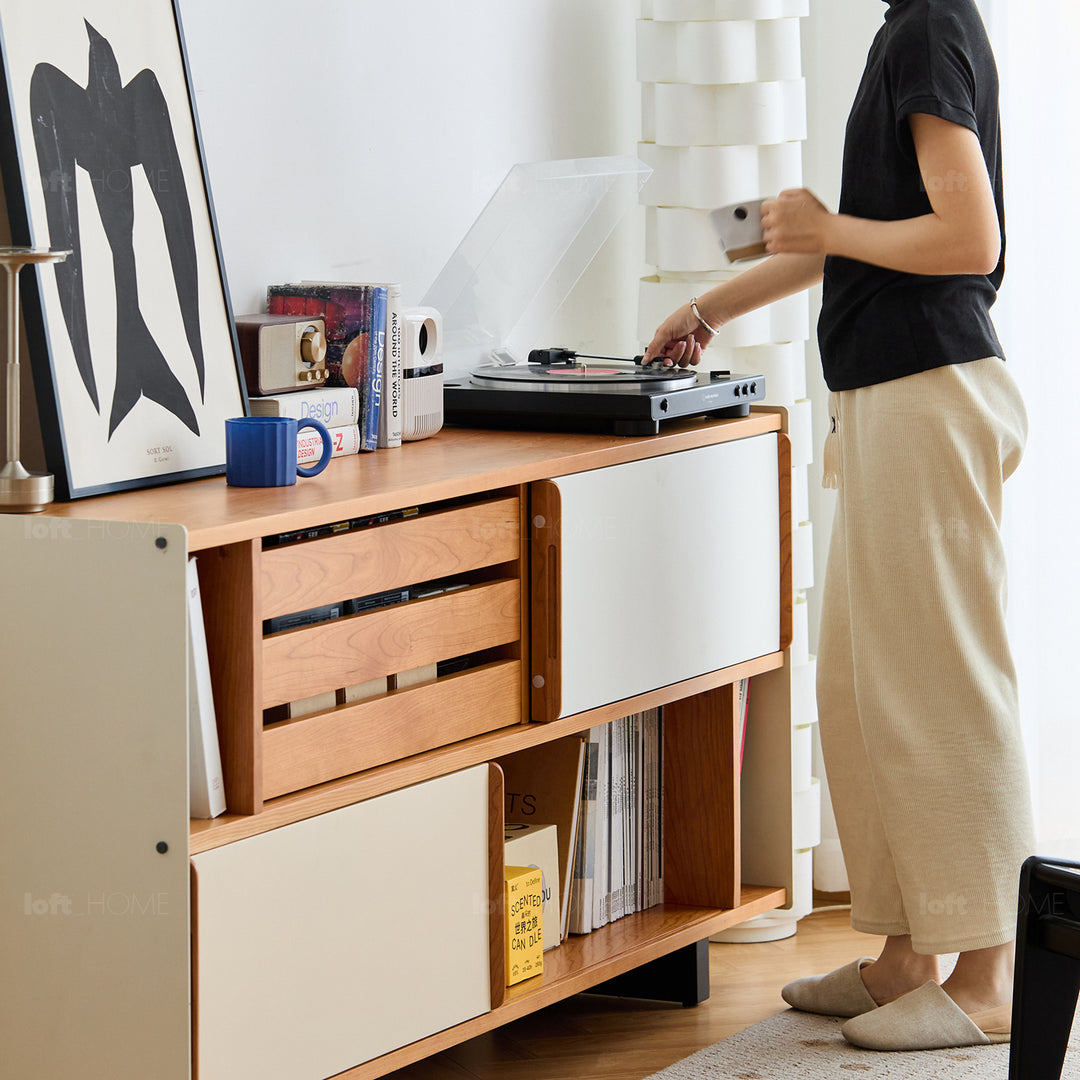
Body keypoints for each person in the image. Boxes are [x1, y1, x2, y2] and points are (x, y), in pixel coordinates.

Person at [643, 0, 1033, 1052]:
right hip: (891, 398)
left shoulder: (927, 28)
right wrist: (713, 305)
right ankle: (911, 955)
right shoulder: (911, 28)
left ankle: (993, 973)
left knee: (942, 686)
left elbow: (968, 237)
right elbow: (864, 245)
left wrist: (823, 227)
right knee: (861, 689)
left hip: (930, 393)